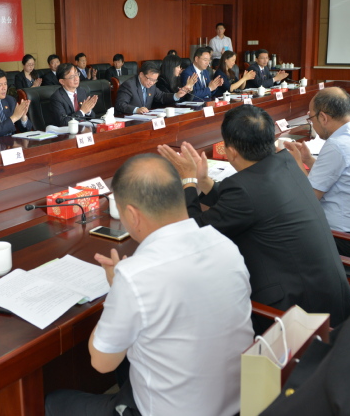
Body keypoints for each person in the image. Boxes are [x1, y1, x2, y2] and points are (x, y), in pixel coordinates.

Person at [45, 154, 253, 416]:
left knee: (54, 401)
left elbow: (102, 362)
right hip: (238, 405)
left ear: (132, 215)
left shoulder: (136, 276)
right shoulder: (225, 246)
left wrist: (117, 290)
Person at [157, 105, 350, 332]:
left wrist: (188, 180)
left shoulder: (244, 189)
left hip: (297, 315)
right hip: (331, 298)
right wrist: (203, 181)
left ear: (231, 151)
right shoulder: (286, 163)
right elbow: (248, 203)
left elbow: (194, 235)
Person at [284, 88, 350, 261]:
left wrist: (297, 162)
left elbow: (308, 198)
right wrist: (307, 160)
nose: (312, 123)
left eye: (311, 118)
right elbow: (336, 175)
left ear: (323, 117)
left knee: (274, 233)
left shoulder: (338, 144)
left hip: (348, 241)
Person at [114, 61, 192, 116]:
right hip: (129, 120)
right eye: (150, 79)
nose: (152, 83)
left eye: (155, 80)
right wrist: (136, 110)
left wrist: (177, 95)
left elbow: (162, 96)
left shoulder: (152, 86)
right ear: (141, 75)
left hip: (145, 119)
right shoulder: (129, 85)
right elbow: (120, 104)